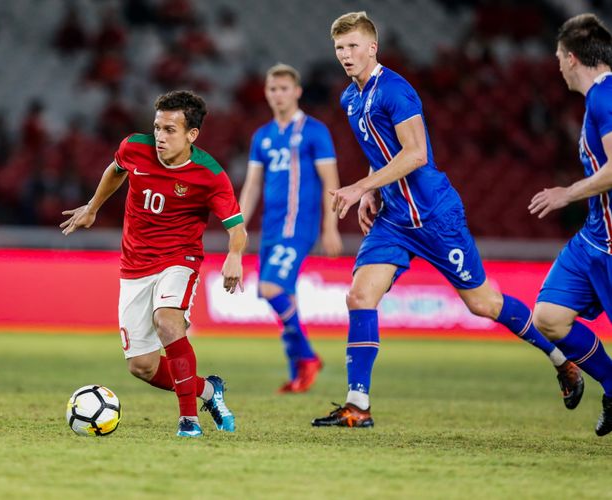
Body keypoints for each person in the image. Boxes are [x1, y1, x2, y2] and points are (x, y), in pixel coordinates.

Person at [312, 11, 582, 428]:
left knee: (484, 304)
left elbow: (416, 153)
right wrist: (371, 188)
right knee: (359, 297)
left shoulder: (396, 91)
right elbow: (381, 155)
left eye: (352, 46)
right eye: (339, 48)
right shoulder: (351, 98)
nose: (345, 55)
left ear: (372, 47)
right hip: (394, 221)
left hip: (435, 217)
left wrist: (362, 189)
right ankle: (357, 405)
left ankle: (560, 359)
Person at [60, 90, 247, 438]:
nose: (160, 136)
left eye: (170, 130)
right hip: (134, 264)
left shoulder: (210, 175)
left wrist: (234, 255)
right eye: (158, 127)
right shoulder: (135, 147)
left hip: (180, 259)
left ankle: (188, 422)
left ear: (192, 135)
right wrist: (93, 206)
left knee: (167, 321)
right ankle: (208, 391)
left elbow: (237, 228)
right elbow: (116, 170)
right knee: (142, 366)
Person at [528, 13, 612, 437]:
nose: (557, 64)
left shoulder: (606, 98)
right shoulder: (596, 99)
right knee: (549, 317)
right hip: (595, 239)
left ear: (573, 58)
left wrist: (567, 192)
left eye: (559, 56)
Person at [239, 63, 343, 393]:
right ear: (267, 93)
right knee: (285, 297)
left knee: (271, 289)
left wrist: (331, 227)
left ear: (297, 92)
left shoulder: (315, 131)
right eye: (273, 89)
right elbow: (253, 185)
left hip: (298, 225)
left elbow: (331, 180)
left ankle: (308, 357)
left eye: (284, 88)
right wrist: (237, 227)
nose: (278, 94)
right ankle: (299, 372)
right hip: (271, 227)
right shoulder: (263, 136)